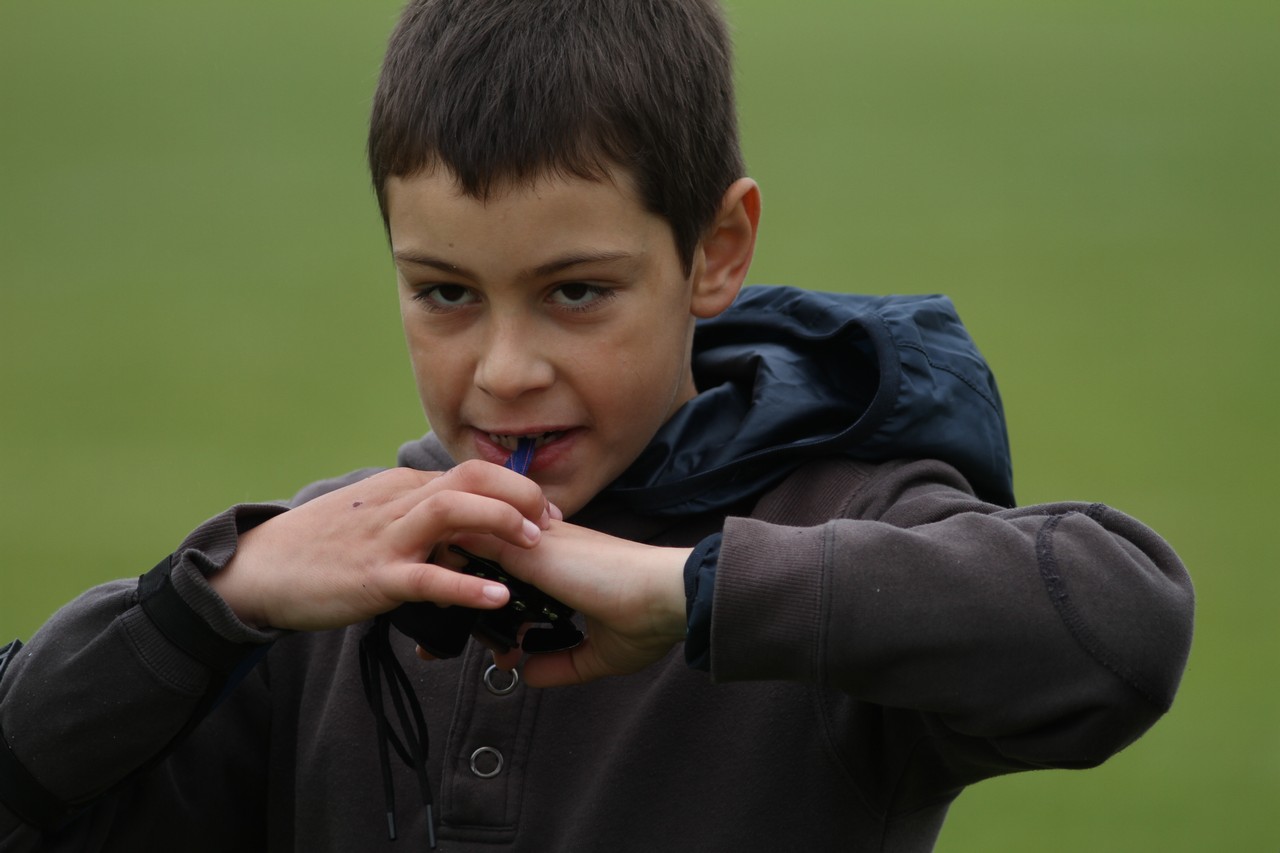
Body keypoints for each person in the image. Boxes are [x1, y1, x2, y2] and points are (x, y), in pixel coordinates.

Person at [0, 0, 1193, 850]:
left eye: (576, 291)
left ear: (715, 251)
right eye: (444, 293)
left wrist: (697, 592)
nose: (505, 371)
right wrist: (212, 598)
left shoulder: (828, 526)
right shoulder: (341, 572)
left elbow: (1117, 627)